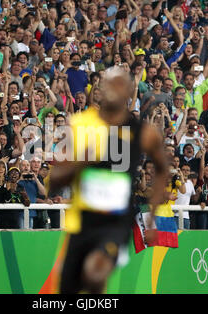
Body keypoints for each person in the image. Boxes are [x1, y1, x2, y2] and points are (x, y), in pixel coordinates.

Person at [49, 68, 168, 294]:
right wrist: (82, 162)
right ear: (99, 90)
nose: (113, 90)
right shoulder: (80, 124)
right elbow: (54, 180)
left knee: (95, 273)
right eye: (109, 84)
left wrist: (152, 218)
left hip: (115, 222)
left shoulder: (143, 132)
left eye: (119, 85)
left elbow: (162, 169)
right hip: (81, 222)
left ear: (129, 91)